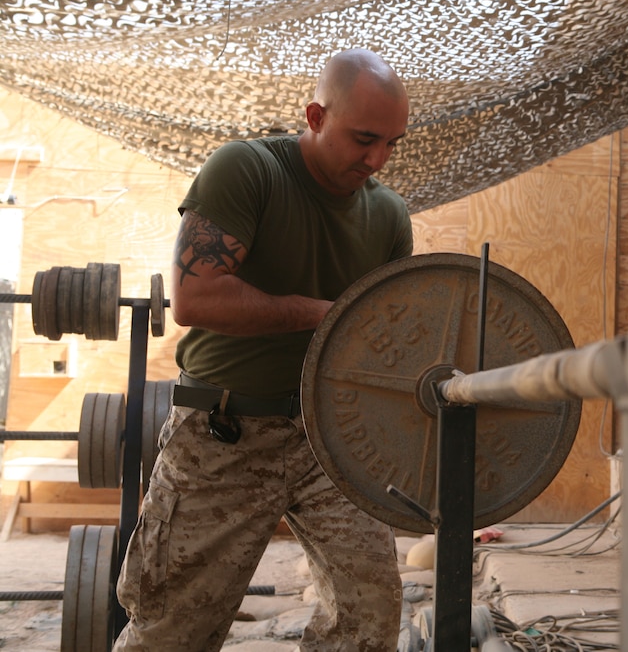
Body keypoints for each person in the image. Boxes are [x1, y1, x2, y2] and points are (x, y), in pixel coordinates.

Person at [114, 48, 414, 651]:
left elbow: (387, 338)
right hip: (224, 433)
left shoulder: (388, 216)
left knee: (369, 617)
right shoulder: (246, 170)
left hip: (331, 439)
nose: (377, 159)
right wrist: (328, 317)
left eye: (391, 143)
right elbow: (197, 300)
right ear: (315, 115)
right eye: (363, 139)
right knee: (174, 628)